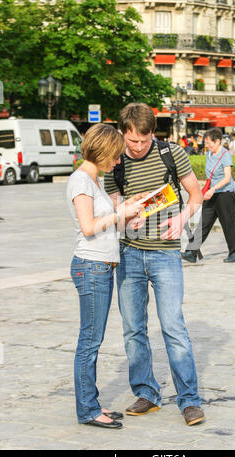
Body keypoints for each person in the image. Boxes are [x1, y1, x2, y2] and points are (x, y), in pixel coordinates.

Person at [104, 103, 205, 426]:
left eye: (144, 141)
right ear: (123, 133)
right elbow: (115, 210)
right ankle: (147, 392)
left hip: (165, 254)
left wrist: (182, 219)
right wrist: (124, 219)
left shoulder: (170, 153)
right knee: (134, 329)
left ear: (153, 134)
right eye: (132, 141)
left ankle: (189, 400)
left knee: (173, 326)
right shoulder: (114, 161)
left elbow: (196, 194)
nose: (138, 147)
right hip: (129, 255)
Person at [67, 123, 145, 429]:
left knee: (92, 339)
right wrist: (119, 215)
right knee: (90, 340)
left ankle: (91, 403)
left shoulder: (93, 180)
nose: (117, 161)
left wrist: (126, 217)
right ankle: (87, 410)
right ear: (102, 151)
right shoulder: (80, 181)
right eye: (114, 155)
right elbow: (87, 227)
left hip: (100, 265)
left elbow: (102, 223)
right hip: (91, 267)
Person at [181, 127, 235, 264]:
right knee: (204, 222)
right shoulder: (209, 154)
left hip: (225, 194)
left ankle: (234, 252)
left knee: (228, 222)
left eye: (209, 143)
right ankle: (192, 252)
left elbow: (227, 178)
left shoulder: (225, 155)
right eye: (206, 142)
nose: (207, 145)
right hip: (210, 194)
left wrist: (213, 188)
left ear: (218, 141)